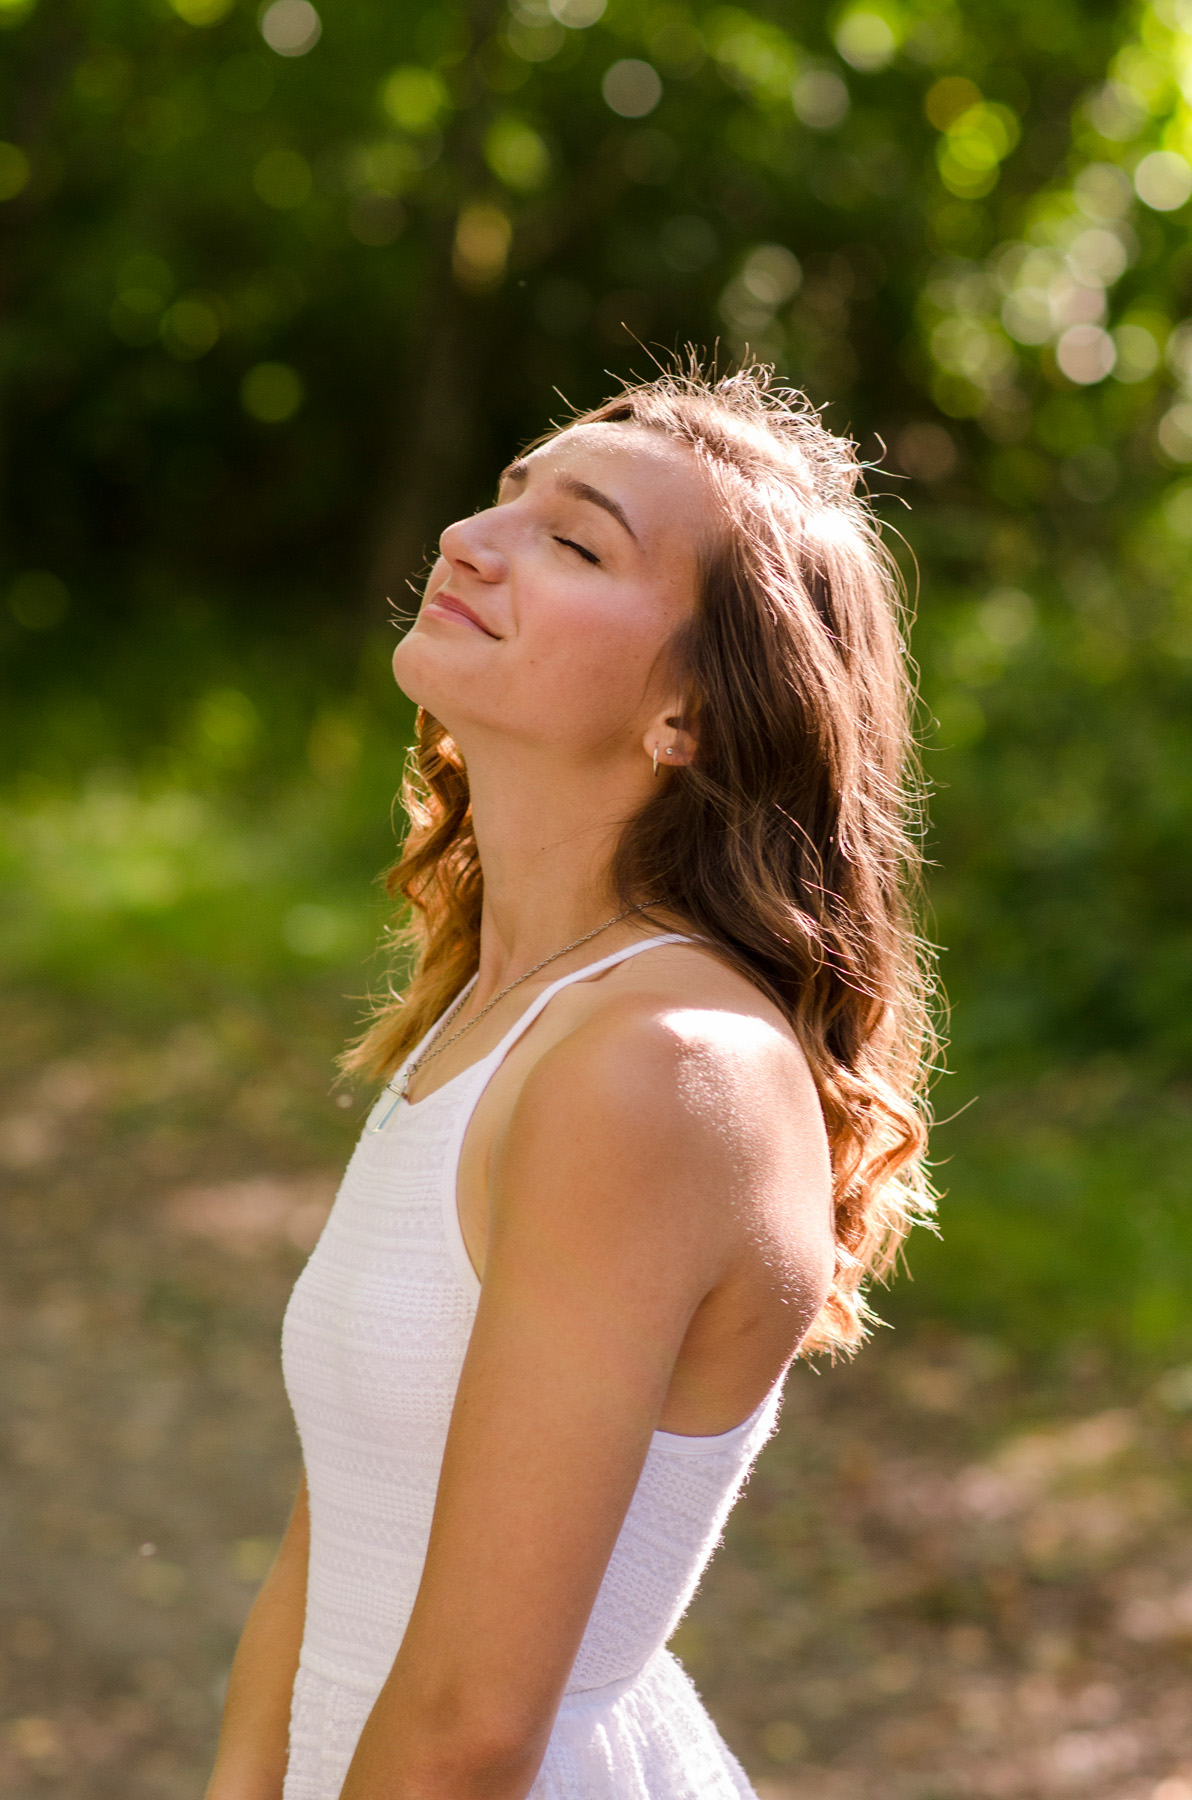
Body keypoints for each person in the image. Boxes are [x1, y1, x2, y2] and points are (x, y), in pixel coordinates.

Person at [204, 364, 934, 1800]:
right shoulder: (497, 1010)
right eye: (503, 499)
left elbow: (476, 1725)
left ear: (695, 716)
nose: (476, 542)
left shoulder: (661, 1072)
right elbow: (341, 1527)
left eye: (578, 541)